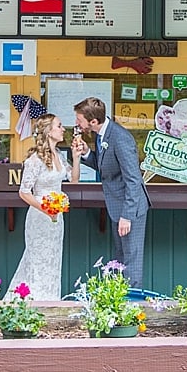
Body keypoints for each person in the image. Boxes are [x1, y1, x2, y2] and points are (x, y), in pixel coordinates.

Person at [72, 97, 151, 288]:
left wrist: (127, 215)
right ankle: (121, 303)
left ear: (93, 122)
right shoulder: (101, 135)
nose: (77, 124)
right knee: (121, 258)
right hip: (117, 205)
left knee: (131, 261)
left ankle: (133, 308)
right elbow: (105, 167)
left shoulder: (120, 138)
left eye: (79, 120)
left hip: (130, 208)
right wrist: (86, 153)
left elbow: (133, 179)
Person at [8, 114, 82, 300]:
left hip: (56, 218)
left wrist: (76, 157)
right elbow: (24, 192)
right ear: (48, 132)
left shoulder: (58, 156)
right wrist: (45, 208)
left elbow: (73, 181)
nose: (63, 129)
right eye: (59, 126)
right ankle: (32, 300)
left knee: (52, 259)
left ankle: (50, 298)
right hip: (40, 216)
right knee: (36, 259)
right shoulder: (35, 160)